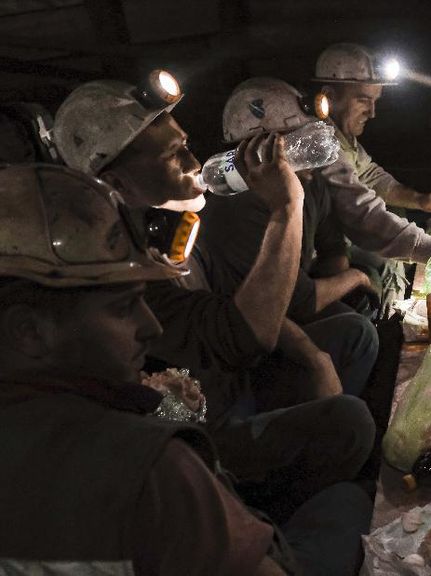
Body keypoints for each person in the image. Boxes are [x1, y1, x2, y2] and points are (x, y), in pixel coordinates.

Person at [53, 74, 375, 574]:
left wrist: (314, 355)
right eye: (171, 156)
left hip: (227, 388)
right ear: (116, 185)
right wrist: (285, 208)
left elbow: (235, 300)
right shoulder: (120, 264)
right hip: (200, 441)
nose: (191, 162)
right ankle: (271, 523)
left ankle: (296, 497)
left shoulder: (178, 221)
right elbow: (244, 337)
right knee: (351, 465)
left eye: (184, 145)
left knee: (351, 335)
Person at [0, 163, 288, 575]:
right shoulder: (150, 467)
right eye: (122, 307)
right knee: (345, 504)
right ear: (28, 331)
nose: (150, 327)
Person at [196, 77, 381, 404]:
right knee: (358, 331)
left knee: (362, 294)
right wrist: (354, 279)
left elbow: (332, 246)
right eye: (294, 143)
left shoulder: (308, 182)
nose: (307, 151)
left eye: (306, 135)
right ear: (259, 151)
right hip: (254, 341)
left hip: (290, 305)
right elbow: (294, 302)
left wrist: (348, 283)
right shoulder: (240, 205)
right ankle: (332, 417)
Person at [311, 43, 431, 304]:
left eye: (375, 101)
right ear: (329, 96)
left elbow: (371, 175)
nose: (373, 112)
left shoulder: (339, 136)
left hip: (343, 246)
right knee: (386, 259)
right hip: (318, 264)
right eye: (363, 100)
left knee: (399, 224)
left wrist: (419, 200)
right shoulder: (318, 145)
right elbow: (368, 219)